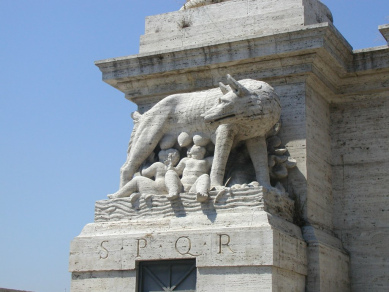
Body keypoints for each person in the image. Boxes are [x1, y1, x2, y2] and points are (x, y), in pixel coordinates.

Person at [108, 149, 180, 202]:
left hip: (158, 188)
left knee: (137, 179)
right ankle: (172, 192)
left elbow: (145, 173)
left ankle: (117, 196)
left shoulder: (158, 165)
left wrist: (147, 162)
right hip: (166, 188)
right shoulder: (174, 169)